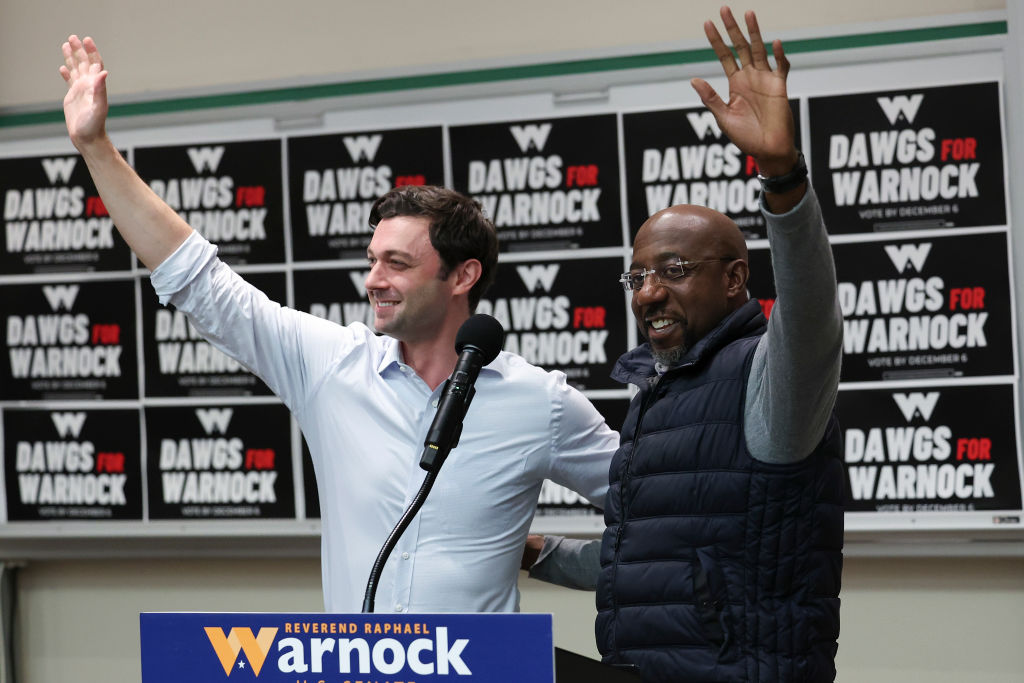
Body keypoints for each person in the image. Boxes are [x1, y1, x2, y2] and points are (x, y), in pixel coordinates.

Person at [58, 36, 618, 614]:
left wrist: (551, 554)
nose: (373, 279)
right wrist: (96, 148)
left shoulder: (540, 402)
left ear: (462, 276)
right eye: (372, 260)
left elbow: (666, 510)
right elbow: (199, 280)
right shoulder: (332, 365)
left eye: (397, 264)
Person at [524, 7, 844, 682]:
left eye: (673, 270)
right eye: (637, 275)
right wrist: (537, 552)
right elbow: (653, 560)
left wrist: (782, 175)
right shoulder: (660, 393)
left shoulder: (766, 380)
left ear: (734, 280)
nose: (647, 293)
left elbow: (812, 317)